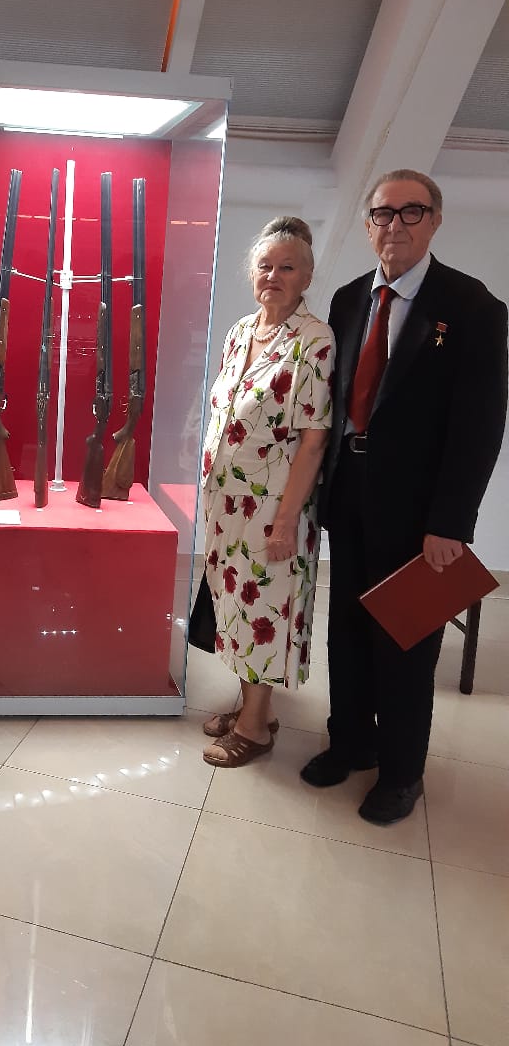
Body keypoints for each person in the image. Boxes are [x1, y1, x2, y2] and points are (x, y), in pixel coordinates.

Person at [301, 169, 508, 824]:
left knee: (406, 641)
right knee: (348, 629)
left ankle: (399, 772)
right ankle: (350, 742)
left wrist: (452, 522)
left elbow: (480, 425)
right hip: (349, 491)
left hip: (421, 513)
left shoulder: (470, 308)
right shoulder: (348, 300)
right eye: (382, 213)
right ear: (368, 226)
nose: (394, 224)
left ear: (435, 220)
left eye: (410, 211)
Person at [200, 217, 334, 767]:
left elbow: (313, 441)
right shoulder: (240, 331)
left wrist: (285, 521)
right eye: (265, 266)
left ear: (307, 277)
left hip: (272, 508)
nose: (273, 275)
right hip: (226, 503)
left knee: (266, 608)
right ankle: (252, 707)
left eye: (287, 267)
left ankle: (255, 728)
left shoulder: (314, 340)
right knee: (235, 607)